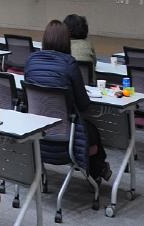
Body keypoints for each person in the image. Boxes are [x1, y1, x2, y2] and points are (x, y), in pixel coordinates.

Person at [25, 20, 111, 182]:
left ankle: (99, 170)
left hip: (36, 135)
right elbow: (83, 105)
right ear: (66, 41)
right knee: (93, 131)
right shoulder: (69, 63)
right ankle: (98, 170)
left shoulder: (31, 61)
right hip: (66, 138)